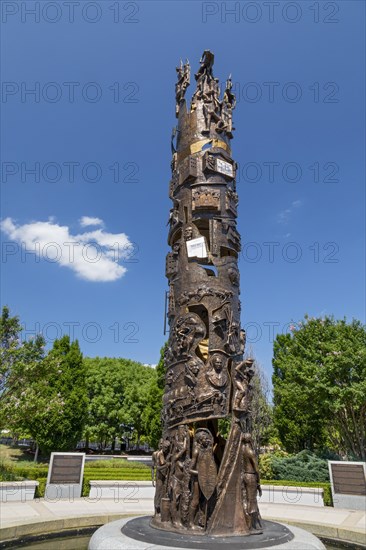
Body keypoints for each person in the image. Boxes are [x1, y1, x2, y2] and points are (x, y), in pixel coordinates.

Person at [241, 433, 262, 531]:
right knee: (251, 500)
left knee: (246, 499)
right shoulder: (250, 451)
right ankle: (249, 526)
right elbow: (256, 468)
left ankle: (248, 523)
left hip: (244, 475)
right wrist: (258, 483)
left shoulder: (242, 450)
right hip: (251, 476)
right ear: (250, 440)